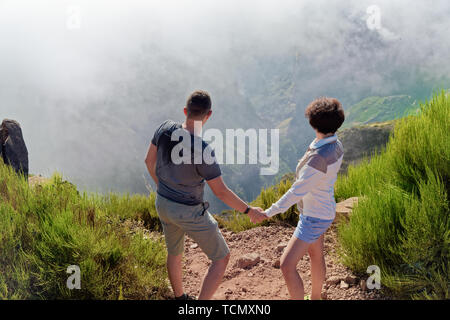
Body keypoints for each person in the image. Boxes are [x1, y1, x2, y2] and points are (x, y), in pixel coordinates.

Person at [145, 90, 266, 300]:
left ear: (185, 110)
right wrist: (249, 211)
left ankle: (180, 298)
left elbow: (149, 161)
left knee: (174, 252)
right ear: (209, 115)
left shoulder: (164, 128)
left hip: (163, 204)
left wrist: (162, 187)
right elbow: (220, 191)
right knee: (221, 258)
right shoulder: (203, 150)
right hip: (189, 211)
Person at [262, 97, 345, 300]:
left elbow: (296, 191)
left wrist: (268, 212)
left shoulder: (318, 158)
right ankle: (315, 297)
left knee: (287, 264)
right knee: (316, 256)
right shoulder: (335, 144)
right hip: (323, 210)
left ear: (313, 123)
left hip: (314, 217)